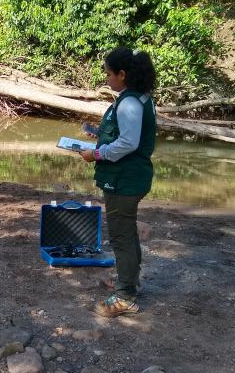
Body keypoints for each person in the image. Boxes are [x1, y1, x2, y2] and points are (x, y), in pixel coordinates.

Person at [79, 47, 156, 317]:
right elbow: (124, 133)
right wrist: (98, 133)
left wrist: (96, 154)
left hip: (125, 178)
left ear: (122, 74)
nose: (106, 79)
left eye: (109, 74)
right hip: (128, 176)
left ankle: (126, 297)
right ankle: (128, 281)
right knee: (127, 232)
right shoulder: (137, 98)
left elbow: (128, 142)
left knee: (121, 235)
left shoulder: (131, 103)